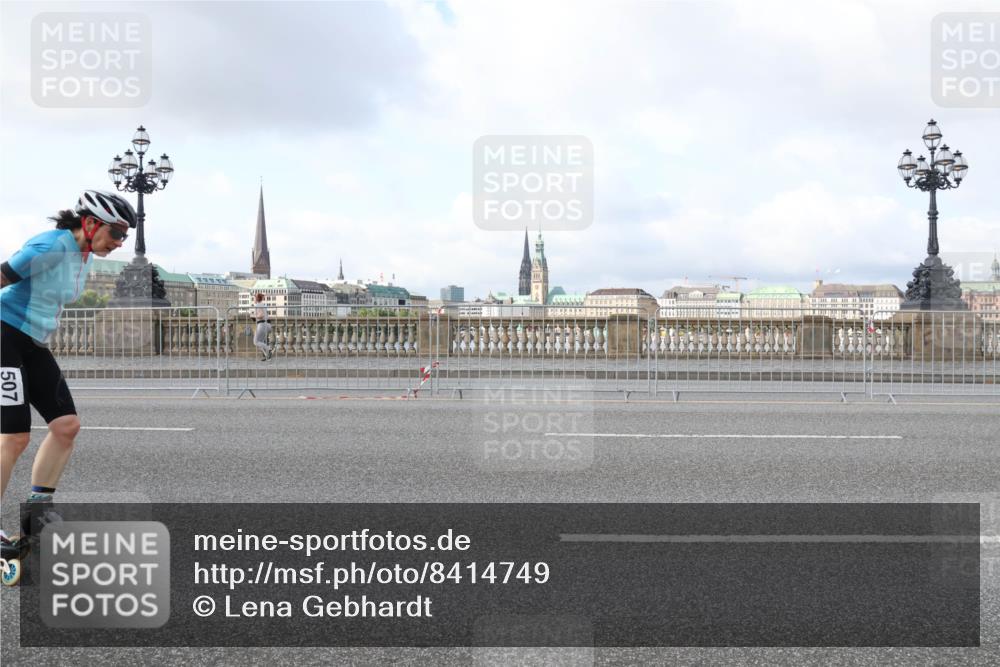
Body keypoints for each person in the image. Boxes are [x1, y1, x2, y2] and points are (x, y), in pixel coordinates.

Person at [1, 190, 137, 582]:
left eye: (125, 236)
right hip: (4, 335)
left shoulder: (82, 254)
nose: (119, 242)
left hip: (32, 342)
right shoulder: (50, 246)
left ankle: (38, 511)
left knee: (66, 427)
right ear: (90, 223)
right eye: (115, 233)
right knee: (13, 437)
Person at [253, 292, 272, 361]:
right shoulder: (263, 305)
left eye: (254, 297)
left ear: (257, 298)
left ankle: (269, 349)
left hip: (262, 325)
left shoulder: (258, 305)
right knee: (261, 342)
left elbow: (261, 315)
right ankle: (267, 356)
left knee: (256, 342)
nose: (253, 299)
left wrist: (254, 316)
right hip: (267, 325)